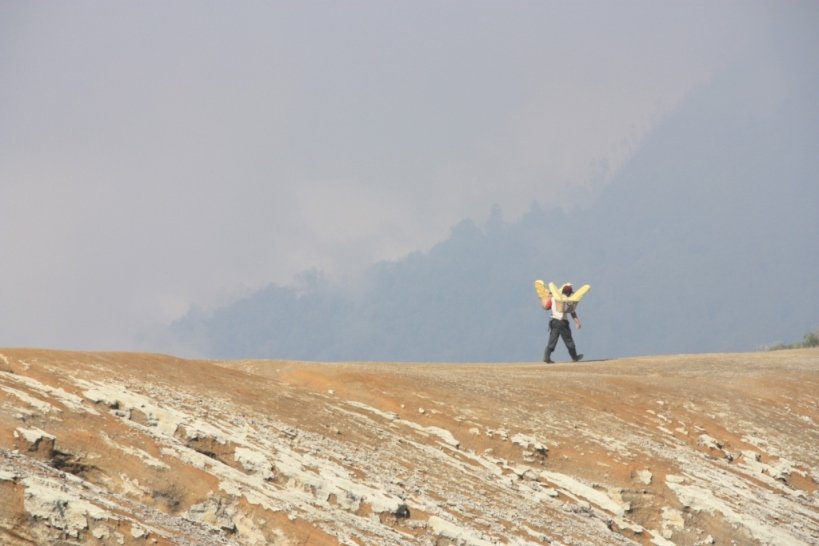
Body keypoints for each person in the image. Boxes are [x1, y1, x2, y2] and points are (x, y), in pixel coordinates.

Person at [543, 282, 584, 363]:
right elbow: (572, 312)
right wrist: (577, 322)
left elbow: (547, 307)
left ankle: (546, 357)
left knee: (552, 339)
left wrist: (549, 298)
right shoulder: (567, 300)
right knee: (568, 340)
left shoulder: (554, 298)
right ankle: (574, 357)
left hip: (554, 321)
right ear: (568, 292)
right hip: (562, 322)